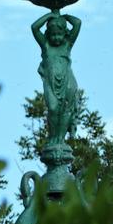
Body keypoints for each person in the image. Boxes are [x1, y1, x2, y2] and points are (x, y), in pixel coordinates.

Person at [31, 10, 81, 146]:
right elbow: (34, 28)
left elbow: (77, 23)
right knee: (53, 108)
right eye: (53, 35)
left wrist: (64, 17)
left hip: (67, 82)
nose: (56, 38)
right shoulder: (45, 46)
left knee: (66, 110)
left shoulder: (67, 45)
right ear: (48, 35)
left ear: (65, 34)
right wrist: (50, 16)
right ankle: (53, 136)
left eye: (59, 34)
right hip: (50, 82)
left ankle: (60, 139)